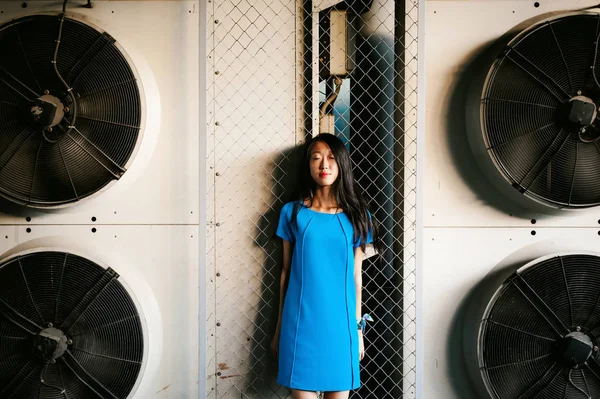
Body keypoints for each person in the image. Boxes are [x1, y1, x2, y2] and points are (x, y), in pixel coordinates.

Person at [271, 133, 380, 399]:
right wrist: (278, 329)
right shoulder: (292, 212)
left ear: (342, 164)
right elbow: (285, 272)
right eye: (316, 158)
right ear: (308, 165)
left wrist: (359, 332)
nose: (324, 165)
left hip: (341, 327)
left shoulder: (358, 216)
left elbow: (357, 277)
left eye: (331, 158)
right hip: (300, 323)